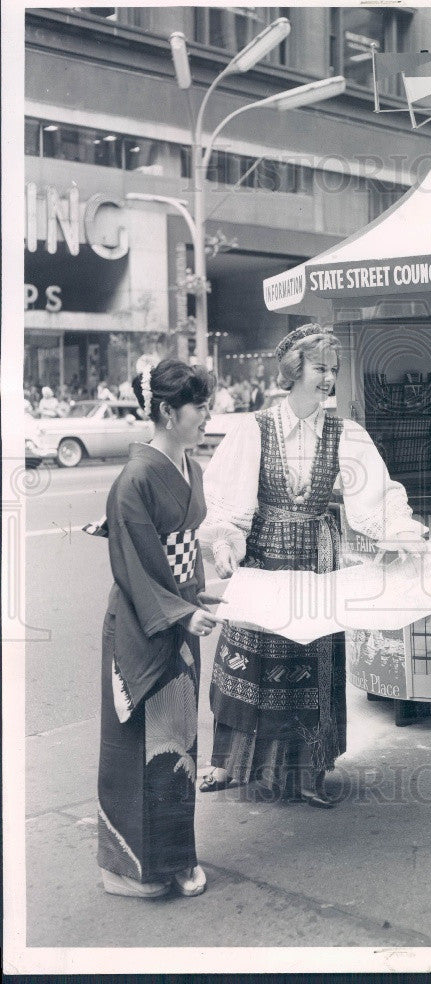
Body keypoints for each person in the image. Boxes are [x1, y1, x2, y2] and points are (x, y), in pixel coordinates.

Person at [199, 324, 425, 806]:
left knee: (310, 665)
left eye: (334, 371)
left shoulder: (347, 433)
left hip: (318, 562)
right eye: (321, 368)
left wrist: (395, 532)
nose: (329, 379)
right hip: (263, 559)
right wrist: (224, 544)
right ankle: (232, 764)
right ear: (294, 370)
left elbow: (377, 496)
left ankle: (308, 773)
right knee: (252, 661)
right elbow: (227, 503)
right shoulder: (253, 429)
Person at [93, 357, 220, 898]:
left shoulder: (189, 467)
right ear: (168, 412)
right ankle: (129, 870)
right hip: (144, 627)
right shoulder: (135, 479)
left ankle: (176, 858)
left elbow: (182, 551)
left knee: (178, 746)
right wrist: (182, 608)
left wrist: (198, 592)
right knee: (139, 748)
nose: (207, 415)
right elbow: (138, 567)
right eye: (200, 407)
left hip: (178, 616)